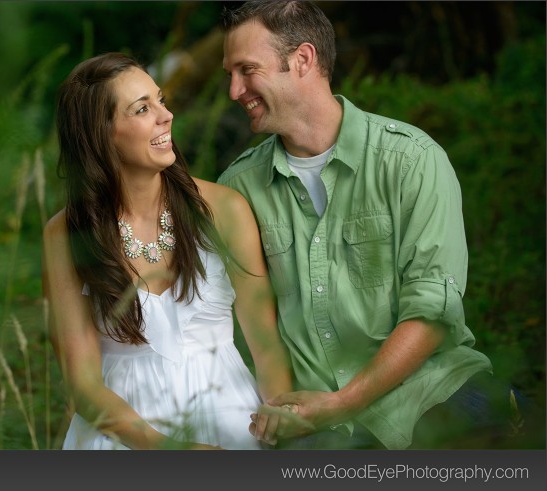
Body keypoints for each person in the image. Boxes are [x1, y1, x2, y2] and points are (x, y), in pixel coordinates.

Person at [217, 0, 531, 450]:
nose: (234, 90)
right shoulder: (238, 189)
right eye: (230, 74)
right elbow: (244, 328)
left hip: (431, 395)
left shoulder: (412, 160)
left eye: (247, 70)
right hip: (315, 428)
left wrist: (343, 402)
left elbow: (432, 311)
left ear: (302, 60)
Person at [43, 52, 293, 450]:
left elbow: (267, 347)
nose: (166, 115)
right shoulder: (67, 234)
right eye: (143, 109)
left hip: (231, 423)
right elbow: (84, 383)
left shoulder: (223, 209)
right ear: (100, 134)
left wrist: (280, 415)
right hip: (125, 436)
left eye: (160, 99)